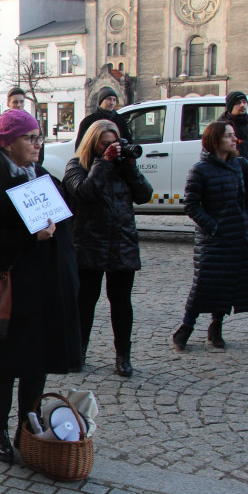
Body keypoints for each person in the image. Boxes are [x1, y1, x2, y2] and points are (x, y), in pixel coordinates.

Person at [0, 109, 82, 462]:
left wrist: (68, 279)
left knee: (37, 363)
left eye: (38, 137)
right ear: (6, 143)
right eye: (29, 138)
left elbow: (65, 232)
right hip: (8, 290)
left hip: (44, 290)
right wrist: (29, 237)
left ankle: (26, 426)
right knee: (4, 365)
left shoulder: (42, 176)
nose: (36, 144)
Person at [64, 119, 153, 377]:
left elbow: (145, 194)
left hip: (122, 242)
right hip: (89, 242)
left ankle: (123, 355)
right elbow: (84, 192)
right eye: (105, 144)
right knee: (85, 302)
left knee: (121, 302)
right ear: (93, 143)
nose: (111, 148)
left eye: (114, 143)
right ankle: (78, 351)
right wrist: (103, 162)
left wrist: (129, 167)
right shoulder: (77, 165)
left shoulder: (122, 167)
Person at [172, 121, 248, 351]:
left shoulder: (241, 165)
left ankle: (216, 326)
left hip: (237, 236)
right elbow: (191, 205)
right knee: (204, 283)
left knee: (227, 282)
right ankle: (187, 326)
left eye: (234, 135)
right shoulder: (200, 170)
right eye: (229, 135)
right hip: (212, 239)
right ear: (215, 140)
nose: (234, 139)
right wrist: (212, 226)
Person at [221, 91, 248, 178]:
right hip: (227, 178)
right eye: (238, 103)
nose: (242, 105)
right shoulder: (219, 127)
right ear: (230, 106)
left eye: (244, 102)